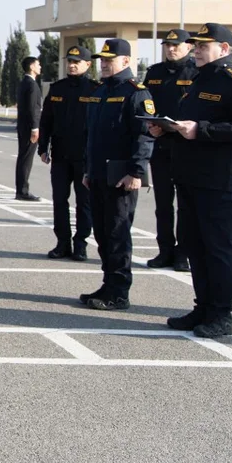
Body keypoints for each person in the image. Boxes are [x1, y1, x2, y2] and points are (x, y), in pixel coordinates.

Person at [152, 23, 232, 338]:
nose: (198, 49)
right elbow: (187, 123)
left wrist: (201, 129)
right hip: (189, 176)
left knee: (218, 248)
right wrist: (167, 128)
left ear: (225, 49)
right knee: (194, 245)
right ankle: (203, 307)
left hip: (218, 180)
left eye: (205, 45)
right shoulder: (196, 78)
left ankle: (221, 315)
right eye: (197, 45)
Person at [80, 38, 154, 312]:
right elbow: (92, 136)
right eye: (102, 60)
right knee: (101, 233)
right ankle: (108, 283)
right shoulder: (100, 91)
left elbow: (144, 137)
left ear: (125, 61)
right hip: (99, 174)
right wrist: (89, 170)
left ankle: (119, 292)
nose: (104, 64)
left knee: (117, 234)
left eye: (110, 60)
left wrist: (137, 171)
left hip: (121, 176)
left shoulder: (136, 93)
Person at [143, 30, 196, 272]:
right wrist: (151, 125)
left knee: (185, 204)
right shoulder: (154, 73)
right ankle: (165, 250)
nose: (170, 49)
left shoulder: (196, 72)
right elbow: (146, 105)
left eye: (176, 45)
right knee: (162, 203)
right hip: (160, 146)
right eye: (167, 45)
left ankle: (183, 253)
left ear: (188, 47)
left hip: (186, 146)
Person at [39, 45, 97, 261]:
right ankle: (62, 242)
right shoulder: (57, 89)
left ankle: (80, 243)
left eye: (77, 61)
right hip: (61, 155)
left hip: (84, 157)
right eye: (70, 61)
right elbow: (46, 120)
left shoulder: (94, 89)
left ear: (88, 64)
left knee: (84, 202)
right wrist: (43, 147)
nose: (72, 65)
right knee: (59, 200)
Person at [16, 57, 43, 200]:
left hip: (23, 126)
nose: (40, 67)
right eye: (38, 64)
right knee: (26, 159)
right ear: (32, 66)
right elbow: (33, 108)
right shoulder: (31, 84)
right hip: (28, 127)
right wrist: (35, 127)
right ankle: (22, 191)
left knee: (23, 158)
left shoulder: (24, 82)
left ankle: (21, 189)